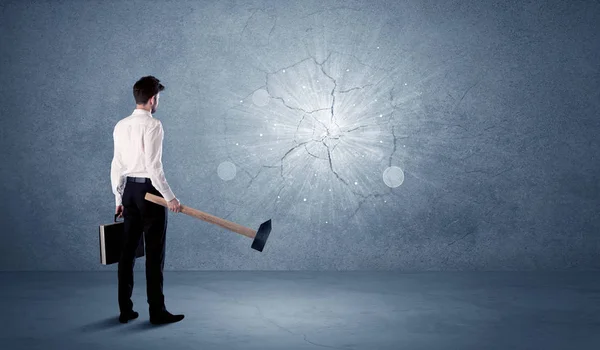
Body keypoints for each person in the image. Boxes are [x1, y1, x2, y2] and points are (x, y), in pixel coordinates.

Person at [110, 75, 184, 325]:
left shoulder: (120, 125)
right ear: (152, 99)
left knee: (127, 252)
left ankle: (125, 310)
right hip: (150, 194)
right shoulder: (154, 125)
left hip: (129, 190)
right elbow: (154, 167)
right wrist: (171, 198)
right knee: (154, 254)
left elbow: (116, 165)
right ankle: (157, 312)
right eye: (158, 97)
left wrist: (117, 198)